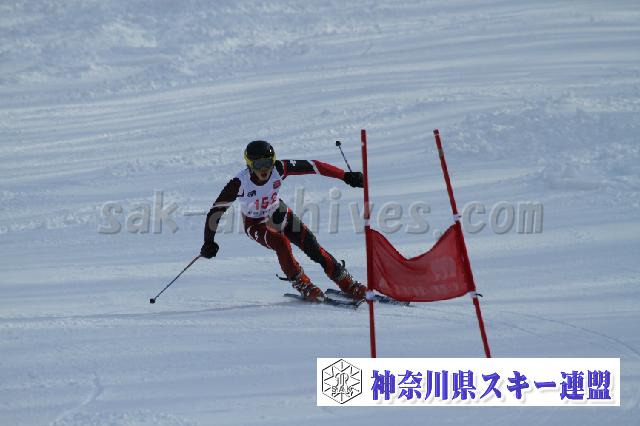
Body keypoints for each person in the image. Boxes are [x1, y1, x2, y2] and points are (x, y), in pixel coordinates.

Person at [200, 140, 366, 302]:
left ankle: (345, 281)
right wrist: (209, 241)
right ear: (249, 164)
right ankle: (301, 282)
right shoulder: (239, 183)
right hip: (255, 224)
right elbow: (216, 211)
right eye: (258, 164)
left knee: (311, 244)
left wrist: (345, 176)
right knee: (281, 243)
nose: (264, 169)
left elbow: (314, 166)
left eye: (267, 163)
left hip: (278, 212)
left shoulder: (279, 168)